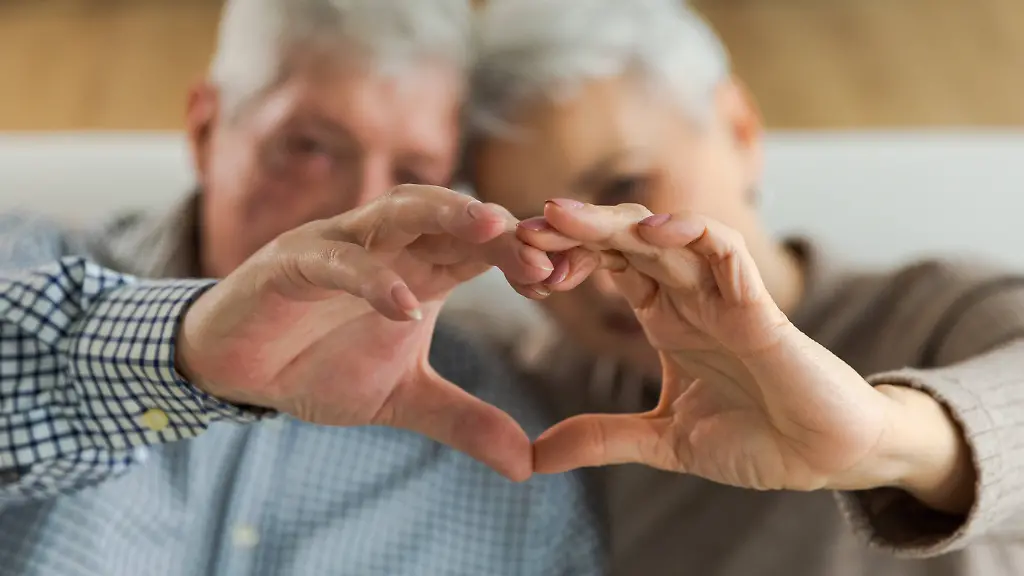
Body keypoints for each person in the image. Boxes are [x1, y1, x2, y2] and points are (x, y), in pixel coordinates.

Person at [0, 1, 602, 574]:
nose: (368, 209)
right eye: (311, 148)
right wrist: (185, 350)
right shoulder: (19, 265)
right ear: (207, 129)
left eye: (413, 175)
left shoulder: (496, 443)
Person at [463, 0, 1024, 574]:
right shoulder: (555, 395)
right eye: (540, 240)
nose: (605, 285)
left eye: (627, 185)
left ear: (740, 128)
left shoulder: (936, 311)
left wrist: (889, 442)